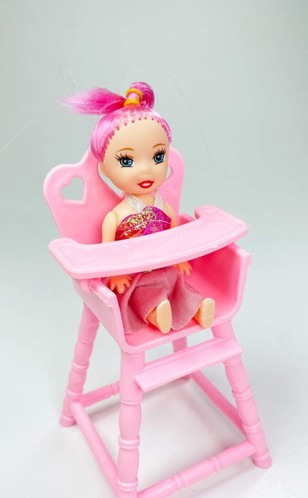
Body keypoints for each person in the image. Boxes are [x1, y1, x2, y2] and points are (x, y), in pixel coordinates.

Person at [63, 82, 215, 334]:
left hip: (164, 267)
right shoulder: (115, 217)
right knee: (142, 295)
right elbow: (107, 252)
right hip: (135, 275)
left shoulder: (165, 209)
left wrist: (180, 259)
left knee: (178, 284)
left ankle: (197, 307)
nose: (145, 170)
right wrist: (116, 274)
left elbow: (175, 238)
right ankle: (156, 314)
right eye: (127, 161)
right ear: (104, 169)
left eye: (157, 157)